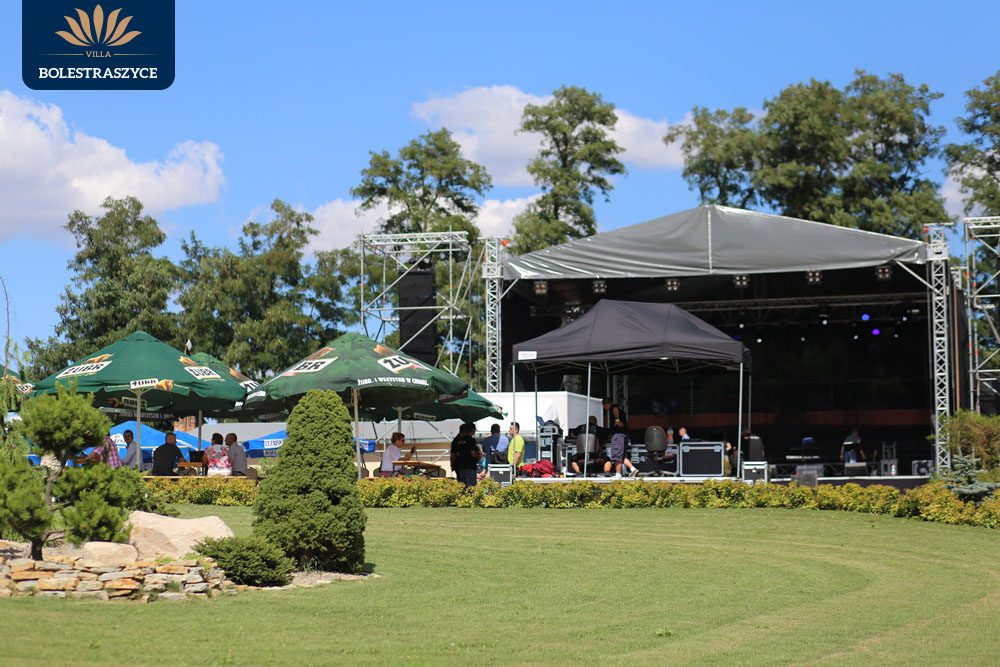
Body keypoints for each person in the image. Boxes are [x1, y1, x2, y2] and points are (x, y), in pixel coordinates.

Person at [450, 422, 481, 487]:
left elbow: (453, 455)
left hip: (459, 466)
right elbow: (473, 453)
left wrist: (452, 465)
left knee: (462, 486)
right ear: (472, 430)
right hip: (470, 466)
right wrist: (479, 456)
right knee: (471, 487)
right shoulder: (470, 440)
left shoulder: (456, 440)